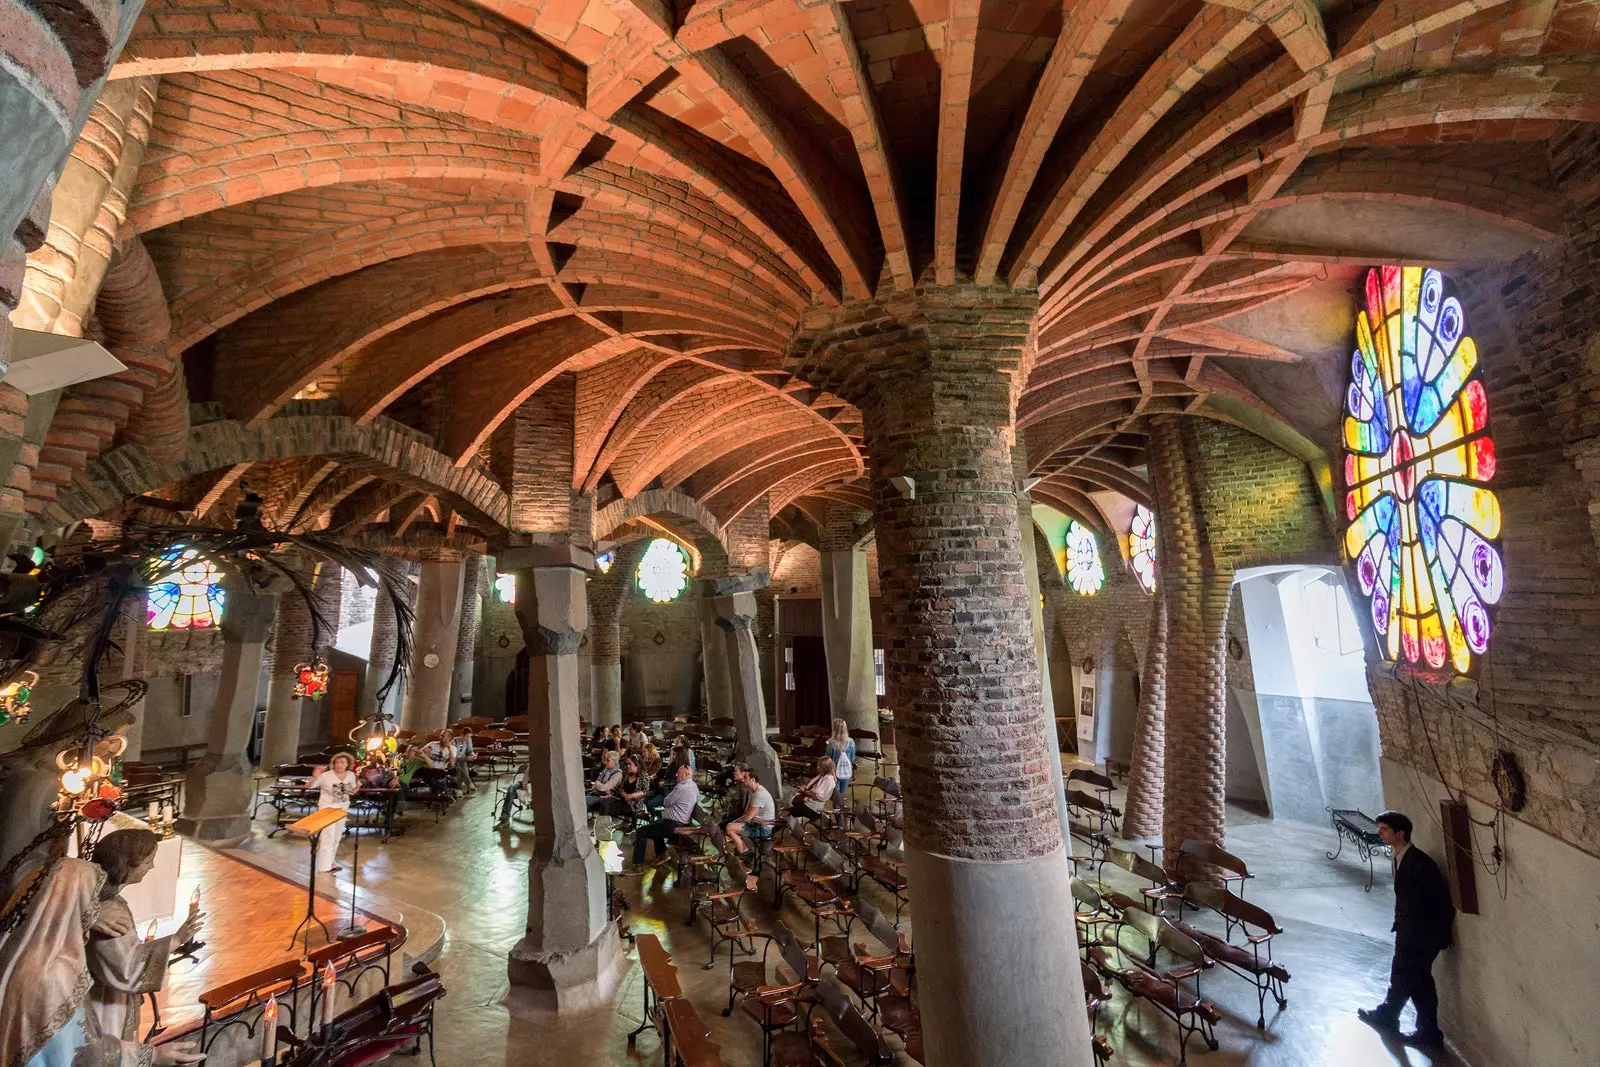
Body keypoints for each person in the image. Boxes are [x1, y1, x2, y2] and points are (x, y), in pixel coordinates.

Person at [0, 846, 205, 1066]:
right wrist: (152, 1056)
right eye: (90, 897)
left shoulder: (16, 953)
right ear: (73, 903)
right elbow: (85, 1051)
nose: (97, 907)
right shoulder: (56, 972)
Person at [86, 830, 205, 1044]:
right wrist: (175, 940)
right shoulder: (111, 910)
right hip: (105, 1004)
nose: (151, 867)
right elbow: (127, 971)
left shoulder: (100, 897)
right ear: (129, 864)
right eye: (148, 861)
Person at [1358, 810, 1455, 1046]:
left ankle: (1424, 1030)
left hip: (1421, 935)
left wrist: (1423, 935)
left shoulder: (1418, 863)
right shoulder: (1400, 857)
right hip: (1409, 932)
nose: (1379, 832)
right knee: (1410, 978)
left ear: (1400, 833)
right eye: (1379, 828)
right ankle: (1396, 1018)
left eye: (1384, 829)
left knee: (1413, 979)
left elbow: (1436, 901)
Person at [630, 762, 699, 869]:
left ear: (686, 774)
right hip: (681, 822)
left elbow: (666, 802)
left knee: (641, 832)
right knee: (655, 826)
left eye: (679, 772)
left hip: (673, 825)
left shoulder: (681, 788)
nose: (676, 775)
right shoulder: (693, 786)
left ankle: (637, 863)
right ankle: (662, 854)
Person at [308, 752, 360, 873]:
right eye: (337, 762)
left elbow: (350, 793)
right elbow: (310, 786)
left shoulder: (351, 775)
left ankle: (330, 863)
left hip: (342, 809)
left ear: (348, 764)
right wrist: (315, 776)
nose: (339, 765)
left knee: (337, 837)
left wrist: (357, 786)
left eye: (342, 762)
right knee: (328, 837)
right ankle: (323, 866)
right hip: (328, 809)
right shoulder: (326, 776)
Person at [721, 764, 775, 855]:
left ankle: (745, 851)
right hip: (756, 824)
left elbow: (749, 816)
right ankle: (741, 849)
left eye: (745, 777)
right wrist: (737, 821)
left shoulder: (760, 794)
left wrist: (736, 822)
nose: (743, 779)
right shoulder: (753, 792)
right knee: (729, 826)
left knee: (729, 828)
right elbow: (746, 812)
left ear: (752, 780)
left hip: (763, 828)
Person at [789, 756, 836, 821]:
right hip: (811, 804)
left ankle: (795, 828)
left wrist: (804, 791)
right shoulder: (822, 776)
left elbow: (818, 796)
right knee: (791, 804)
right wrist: (805, 788)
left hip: (814, 808)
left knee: (790, 813)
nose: (817, 767)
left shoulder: (828, 779)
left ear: (825, 768)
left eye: (819, 766)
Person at [825, 718, 856, 811]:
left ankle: (838, 820)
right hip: (846, 772)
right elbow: (853, 757)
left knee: (836, 796)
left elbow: (828, 757)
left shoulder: (831, 742)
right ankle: (842, 818)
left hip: (835, 772)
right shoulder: (851, 742)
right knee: (842, 795)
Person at [447, 730, 475, 794]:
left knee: (461, 765)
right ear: (462, 735)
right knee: (460, 766)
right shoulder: (453, 742)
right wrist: (465, 758)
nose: (468, 739)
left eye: (469, 737)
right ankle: (468, 783)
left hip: (462, 760)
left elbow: (470, 751)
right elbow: (452, 756)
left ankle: (459, 788)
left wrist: (473, 755)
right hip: (453, 760)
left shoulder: (467, 740)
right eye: (467, 737)